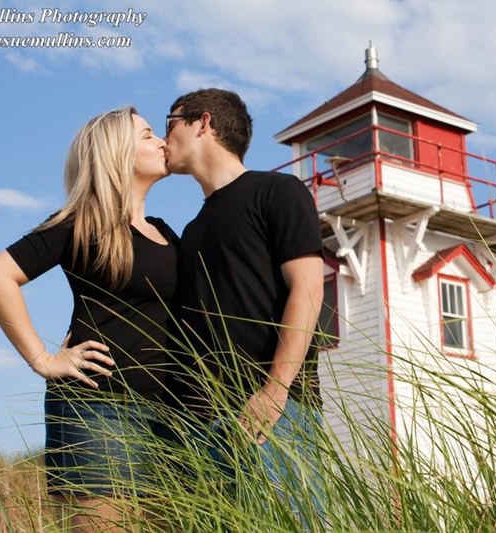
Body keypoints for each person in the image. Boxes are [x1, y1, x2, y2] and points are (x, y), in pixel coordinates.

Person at [0, 106, 178, 532]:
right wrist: (44, 361)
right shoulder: (83, 221)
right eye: (146, 136)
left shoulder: (166, 231)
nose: (162, 141)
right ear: (117, 153)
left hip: (168, 417)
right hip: (97, 411)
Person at [164, 88, 326, 527]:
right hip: (198, 427)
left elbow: (309, 289)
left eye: (170, 123)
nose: (164, 139)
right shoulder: (193, 228)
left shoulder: (278, 191)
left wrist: (276, 390)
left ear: (203, 123)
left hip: (273, 416)